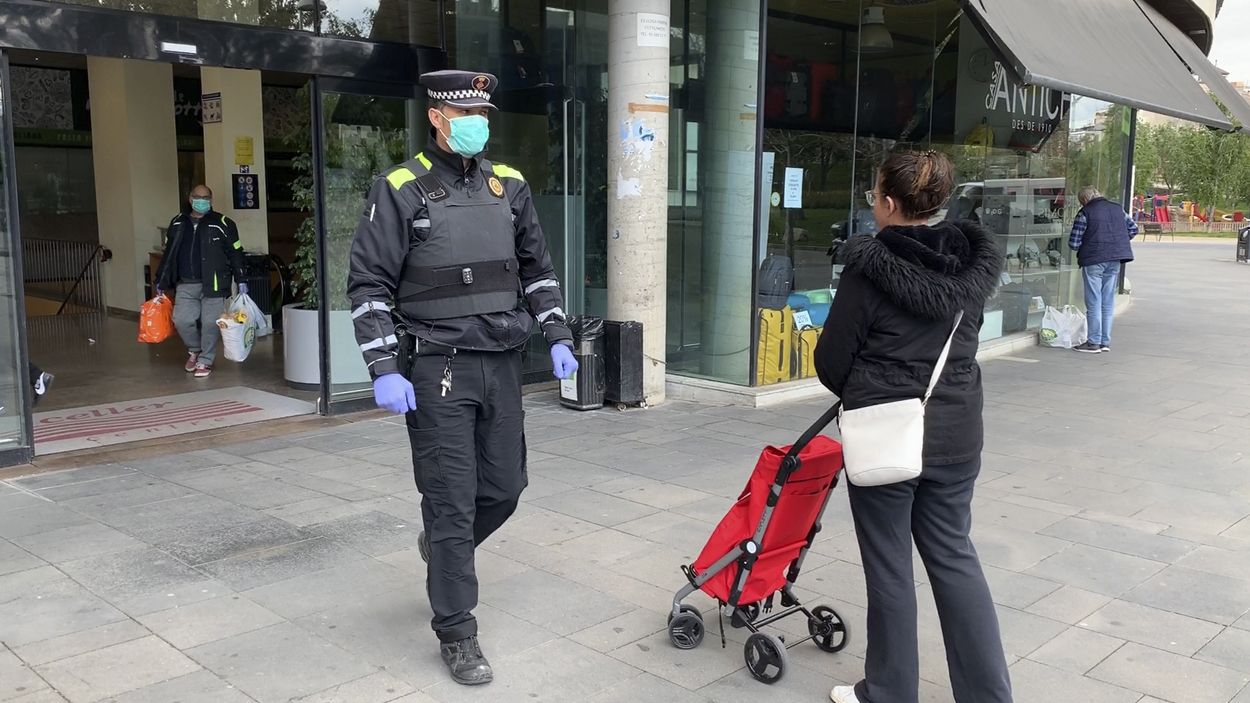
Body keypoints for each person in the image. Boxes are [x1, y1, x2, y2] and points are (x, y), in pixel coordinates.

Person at [347, 69, 578, 687]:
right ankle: (457, 631)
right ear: (437, 118)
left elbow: (538, 270)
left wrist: (557, 335)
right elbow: (368, 284)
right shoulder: (399, 189)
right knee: (450, 504)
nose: (479, 122)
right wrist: (383, 366)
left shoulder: (510, 187)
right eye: (466, 112)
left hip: (503, 363)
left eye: (484, 112)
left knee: (505, 488)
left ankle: (441, 552)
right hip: (438, 368)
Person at [815, 151, 1012, 703]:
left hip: (886, 432)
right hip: (956, 434)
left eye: (874, 193)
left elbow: (832, 363)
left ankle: (890, 693)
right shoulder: (973, 266)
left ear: (890, 202)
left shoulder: (867, 267)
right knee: (954, 558)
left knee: (890, 568)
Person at [155, 185, 248, 378]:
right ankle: (195, 350)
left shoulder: (223, 223)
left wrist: (241, 279)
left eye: (206, 198)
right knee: (181, 320)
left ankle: (205, 360)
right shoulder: (178, 222)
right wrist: (161, 281)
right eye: (198, 197)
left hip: (214, 283)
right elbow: (169, 254)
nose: (202, 201)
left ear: (211, 200)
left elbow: (236, 252)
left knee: (209, 324)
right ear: (190, 199)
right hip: (186, 282)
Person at [1069, 186, 1136, 354]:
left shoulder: (1085, 213)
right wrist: (1115, 241)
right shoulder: (1117, 209)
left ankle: (1093, 342)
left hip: (1093, 260)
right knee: (1107, 302)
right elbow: (1133, 229)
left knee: (1093, 302)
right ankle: (1105, 342)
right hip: (1114, 259)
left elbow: (1074, 243)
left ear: (1084, 200)